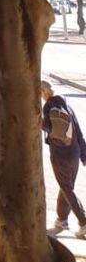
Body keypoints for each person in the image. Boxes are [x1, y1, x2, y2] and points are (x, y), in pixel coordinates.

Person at [41, 79, 86, 237]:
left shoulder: (48, 106)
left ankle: (83, 221)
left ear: (44, 93)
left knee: (66, 188)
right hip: (74, 154)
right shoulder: (68, 107)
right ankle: (62, 220)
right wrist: (84, 155)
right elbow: (79, 132)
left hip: (60, 154)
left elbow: (46, 126)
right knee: (66, 186)